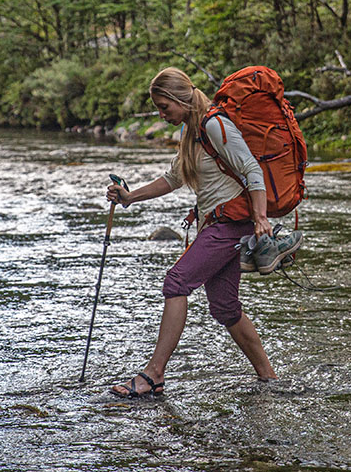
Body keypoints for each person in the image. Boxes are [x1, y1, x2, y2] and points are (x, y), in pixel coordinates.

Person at [104, 66, 300, 398]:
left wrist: (260, 218)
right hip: (216, 224)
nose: (162, 114)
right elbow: (173, 178)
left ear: (181, 99)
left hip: (230, 225)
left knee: (177, 282)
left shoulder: (215, 124)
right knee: (224, 306)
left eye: (164, 107)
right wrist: (129, 197)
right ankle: (269, 378)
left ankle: (153, 375)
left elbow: (251, 168)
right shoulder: (192, 133)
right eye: (158, 110)